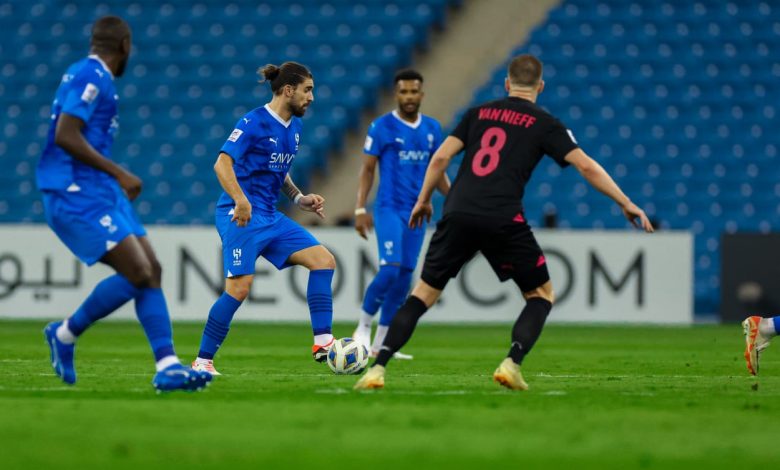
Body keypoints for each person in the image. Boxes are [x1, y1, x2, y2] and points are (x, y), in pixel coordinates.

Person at [355, 54, 654, 391]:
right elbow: (586, 167)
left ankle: (377, 369)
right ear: (540, 86)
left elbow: (440, 157)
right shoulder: (546, 123)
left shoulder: (478, 113)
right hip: (502, 216)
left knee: (421, 295)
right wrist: (626, 203)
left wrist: (424, 200)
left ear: (507, 84)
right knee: (541, 295)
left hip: (458, 212)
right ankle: (512, 363)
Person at [38, 16, 212, 392]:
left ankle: (167, 365)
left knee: (151, 269)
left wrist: (111, 181)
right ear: (126, 45)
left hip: (98, 190)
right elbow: (65, 135)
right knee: (138, 271)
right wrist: (119, 172)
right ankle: (65, 334)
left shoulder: (89, 74)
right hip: (75, 191)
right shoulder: (92, 76)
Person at [191, 62, 336, 375]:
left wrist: (299, 198)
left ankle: (323, 342)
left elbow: (279, 172)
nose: (312, 96)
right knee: (239, 289)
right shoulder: (253, 121)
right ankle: (203, 361)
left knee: (324, 261)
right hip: (239, 215)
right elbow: (221, 164)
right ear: (288, 90)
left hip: (270, 216)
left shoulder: (294, 128)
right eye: (307, 89)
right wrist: (241, 200)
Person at [352, 69, 449, 359]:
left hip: (417, 212)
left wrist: (456, 199)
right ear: (396, 94)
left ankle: (382, 342)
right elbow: (368, 169)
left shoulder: (432, 129)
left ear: (421, 94)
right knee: (390, 268)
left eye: (413, 91)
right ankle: (362, 328)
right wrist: (360, 208)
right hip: (389, 208)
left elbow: (438, 172)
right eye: (403, 92)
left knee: (406, 276)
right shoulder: (381, 127)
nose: (408, 97)